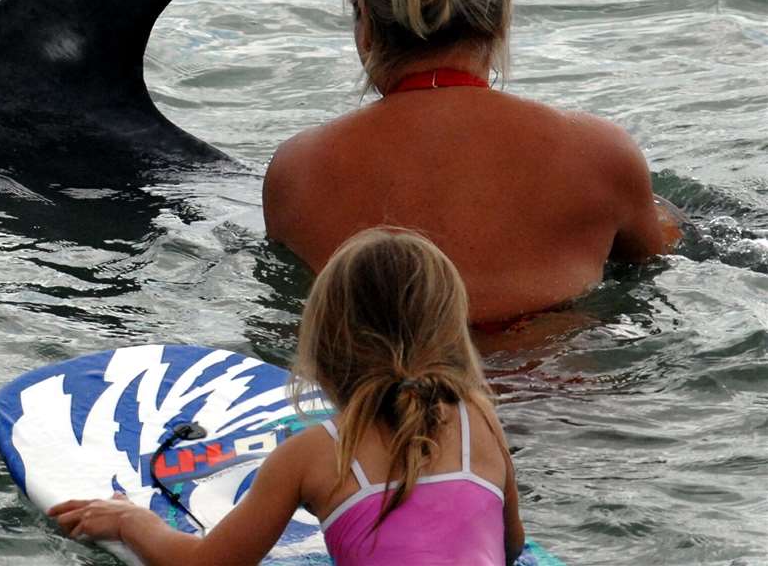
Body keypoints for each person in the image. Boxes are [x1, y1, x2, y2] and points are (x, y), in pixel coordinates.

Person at [262, 0, 683, 324]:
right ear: (499, 19)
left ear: (365, 22)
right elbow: (653, 267)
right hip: (554, 387)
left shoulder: (298, 170)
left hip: (374, 390)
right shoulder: (602, 153)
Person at [49, 228, 526, 566]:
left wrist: (132, 522)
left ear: (324, 344)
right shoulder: (479, 422)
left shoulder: (312, 454)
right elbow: (511, 548)